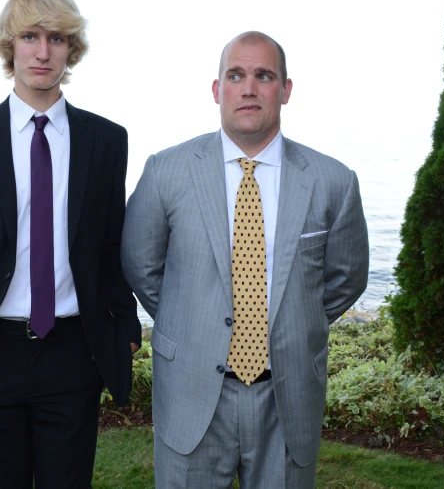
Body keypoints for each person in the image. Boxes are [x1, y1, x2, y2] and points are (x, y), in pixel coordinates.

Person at [121, 31, 369, 488]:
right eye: (236, 75)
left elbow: (346, 278)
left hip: (287, 392)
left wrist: (289, 321)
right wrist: (198, 320)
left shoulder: (333, 181)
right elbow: (141, 265)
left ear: (286, 89)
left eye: (264, 76)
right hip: (192, 390)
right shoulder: (165, 172)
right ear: (217, 90)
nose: (249, 88)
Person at [0, 0, 141, 489]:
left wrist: (126, 325)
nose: (43, 52)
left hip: (72, 350)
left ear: (72, 50)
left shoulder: (106, 140)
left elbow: (111, 245)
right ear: (9, 46)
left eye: (58, 39)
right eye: (30, 37)